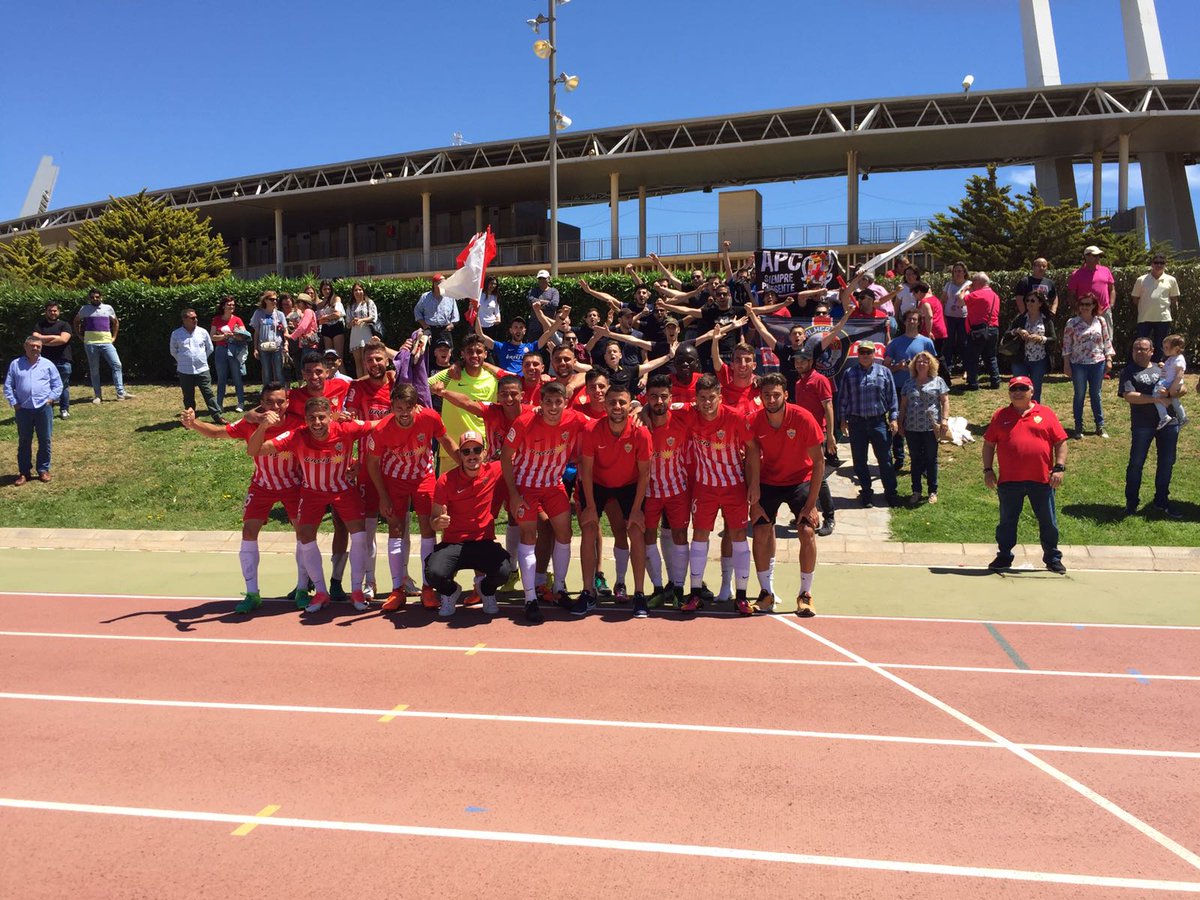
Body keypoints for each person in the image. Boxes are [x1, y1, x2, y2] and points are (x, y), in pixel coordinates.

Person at [180, 382, 307, 612]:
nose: (275, 406)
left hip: (293, 485)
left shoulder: (298, 423)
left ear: (288, 403)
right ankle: (252, 593)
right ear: (262, 403)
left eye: (280, 401)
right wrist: (193, 423)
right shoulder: (250, 422)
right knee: (249, 533)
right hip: (262, 486)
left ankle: (301, 589)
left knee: (302, 533)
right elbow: (218, 432)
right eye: (270, 401)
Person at [248, 396, 377, 612]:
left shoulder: (346, 428)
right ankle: (320, 592)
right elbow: (254, 450)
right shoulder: (298, 434)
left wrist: (413, 411)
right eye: (311, 419)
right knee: (306, 537)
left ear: (330, 417)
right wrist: (262, 426)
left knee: (359, 535)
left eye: (321, 418)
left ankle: (356, 590)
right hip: (311, 493)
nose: (316, 423)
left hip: (344, 491)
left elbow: (378, 424)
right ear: (305, 420)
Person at [501, 381, 589, 622]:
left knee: (565, 534)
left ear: (565, 402)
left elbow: (601, 423)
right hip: (525, 487)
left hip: (553, 486)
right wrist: (514, 494)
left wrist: (638, 410)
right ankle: (530, 598)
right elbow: (506, 458)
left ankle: (559, 589)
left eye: (558, 402)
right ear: (540, 402)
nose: (552, 407)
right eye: (548, 402)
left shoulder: (574, 419)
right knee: (529, 538)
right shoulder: (523, 422)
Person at [365, 383, 456, 611]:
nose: (404, 413)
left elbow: (447, 442)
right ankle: (398, 590)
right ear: (392, 407)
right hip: (394, 479)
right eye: (398, 408)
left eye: (408, 407)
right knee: (395, 530)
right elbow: (373, 464)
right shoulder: (382, 429)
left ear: (417, 406)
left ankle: (427, 588)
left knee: (428, 528)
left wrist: (466, 462)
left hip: (423, 477)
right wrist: (383, 496)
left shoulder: (430, 418)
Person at [681, 374, 760, 615]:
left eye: (711, 398)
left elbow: (753, 450)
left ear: (720, 397)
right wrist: (638, 411)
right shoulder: (688, 413)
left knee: (738, 535)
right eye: (702, 398)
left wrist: (754, 484)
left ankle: (742, 596)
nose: (707, 403)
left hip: (734, 485)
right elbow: (658, 407)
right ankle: (695, 593)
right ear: (696, 399)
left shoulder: (735, 417)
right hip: (704, 487)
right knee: (700, 535)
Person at [750, 374, 824, 616]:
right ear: (760, 398)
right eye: (766, 395)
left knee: (806, 530)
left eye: (776, 395)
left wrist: (811, 504)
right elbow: (751, 458)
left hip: (799, 480)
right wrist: (754, 497)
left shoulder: (803, 418)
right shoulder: (755, 421)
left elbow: (819, 462)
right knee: (760, 529)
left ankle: (805, 594)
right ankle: (765, 593)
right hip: (768, 480)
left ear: (786, 395)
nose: (771, 399)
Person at [575, 383, 652, 616]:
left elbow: (644, 474)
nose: (617, 406)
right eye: (612, 402)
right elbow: (586, 472)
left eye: (622, 402)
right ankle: (588, 592)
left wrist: (637, 509)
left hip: (629, 485)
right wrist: (589, 506)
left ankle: (639, 594)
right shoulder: (591, 430)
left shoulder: (641, 432)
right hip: (596, 483)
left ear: (631, 406)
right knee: (588, 528)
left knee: (636, 532)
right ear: (605, 405)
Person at [982, 376, 1068, 574]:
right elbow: (988, 444)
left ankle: (1053, 558)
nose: (1018, 392)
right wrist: (988, 470)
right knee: (1006, 522)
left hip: (1041, 480)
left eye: (1022, 388)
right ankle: (1004, 556)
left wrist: (1059, 467)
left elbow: (1061, 442)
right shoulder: (1000, 415)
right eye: (1014, 389)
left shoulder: (1046, 413)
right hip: (1009, 481)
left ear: (1032, 391)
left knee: (1048, 521)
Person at [424, 430, 511, 617]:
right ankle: (451, 591)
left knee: (504, 571)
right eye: (466, 451)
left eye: (476, 450)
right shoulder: (446, 480)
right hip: (454, 543)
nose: (472, 455)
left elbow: (519, 453)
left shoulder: (495, 471)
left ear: (484, 452)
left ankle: (486, 590)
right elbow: (433, 521)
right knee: (433, 574)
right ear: (460, 455)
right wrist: (438, 522)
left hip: (483, 541)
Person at [344, 340, 397, 599]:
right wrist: (350, 461)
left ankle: (403, 578)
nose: (375, 364)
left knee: (400, 526)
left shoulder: (398, 384)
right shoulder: (356, 388)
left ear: (387, 360)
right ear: (364, 363)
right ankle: (370, 579)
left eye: (379, 359)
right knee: (369, 527)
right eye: (370, 360)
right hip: (367, 465)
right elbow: (349, 425)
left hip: (398, 466)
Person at [639, 373, 693, 609]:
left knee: (680, 536)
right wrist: (640, 410)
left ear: (671, 397)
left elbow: (704, 403)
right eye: (653, 397)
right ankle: (659, 588)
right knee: (648, 537)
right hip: (649, 492)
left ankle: (679, 588)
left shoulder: (683, 419)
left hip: (677, 490)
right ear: (647, 398)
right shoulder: (640, 425)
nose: (659, 402)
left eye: (663, 397)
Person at [1118, 338, 1183, 519]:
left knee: (1166, 463)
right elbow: (1129, 395)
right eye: (1136, 349)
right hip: (1143, 424)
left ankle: (1161, 502)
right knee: (1136, 463)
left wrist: (1175, 392)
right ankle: (1131, 504)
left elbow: (1181, 386)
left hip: (1169, 424)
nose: (1139, 352)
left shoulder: (1162, 367)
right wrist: (1155, 399)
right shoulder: (1128, 372)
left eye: (1143, 349)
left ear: (1152, 351)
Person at [837, 340, 899, 507]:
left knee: (885, 459)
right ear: (858, 355)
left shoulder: (884, 372)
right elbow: (843, 398)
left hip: (878, 422)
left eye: (868, 352)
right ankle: (866, 493)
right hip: (856, 423)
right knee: (859, 460)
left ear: (874, 354)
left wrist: (894, 418)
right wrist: (842, 420)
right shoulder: (849, 373)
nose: (865, 355)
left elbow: (892, 398)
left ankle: (891, 492)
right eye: (862, 352)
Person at [428, 335, 497, 472]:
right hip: (451, 448)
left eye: (478, 351)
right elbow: (420, 387)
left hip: (480, 450)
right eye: (470, 351)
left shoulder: (494, 380)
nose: (474, 355)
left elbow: (518, 382)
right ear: (462, 354)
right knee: (448, 492)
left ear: (485, 354)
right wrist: (433, 388)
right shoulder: (450, 375)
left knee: (479, 492)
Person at [789, 347, 837, 535]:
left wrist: (831, 435)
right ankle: (805, 513)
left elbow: (829, 407)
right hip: (802, 436)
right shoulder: (799, 382)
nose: (799, 363)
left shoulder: (820, 380)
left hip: (819, 435)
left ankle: (830, 517)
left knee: (820, 476)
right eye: (796, 360)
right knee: (803, 475)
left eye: (803, 360)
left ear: (811, 362)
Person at [5, 335, 62, 485]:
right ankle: (24, 472)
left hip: (43, 408)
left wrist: (50, 399)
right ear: (26, 347)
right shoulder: (15, 364)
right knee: (24, 441)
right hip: (23, 409)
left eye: (38, 346)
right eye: (33, 346)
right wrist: (14, 402)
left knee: (45, 440)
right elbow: (8, 386)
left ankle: (43, 470)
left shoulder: (48, 364)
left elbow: (58, 385)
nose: (35, 348)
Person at [885, 308, 937, 472]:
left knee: (920, 425)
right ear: (904, 322)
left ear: (919, 322)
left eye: (915, 319)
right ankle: (899, 459)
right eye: (909, 319)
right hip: (899, 388)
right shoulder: (895, 343)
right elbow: (886, 367)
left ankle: (921, 462)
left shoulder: (926, 342)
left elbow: (934, 366)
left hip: (920, 389)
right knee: (898, 421)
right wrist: (898, 366)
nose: (912, 322)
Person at [897, 352, 949, 506]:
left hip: (930, 428)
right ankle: (916, 491)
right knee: (915, 460)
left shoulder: (938, 381)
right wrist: (900, 423)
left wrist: (944, 420)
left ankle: (932, 490)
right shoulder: (908, 383)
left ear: (930, 364)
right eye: (918, 362)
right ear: (914, 365)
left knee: (931, 459)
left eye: (925, 362)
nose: (921, 364)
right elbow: (903, 405)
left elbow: (945, 401)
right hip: (912, 428)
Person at [1062, 293, 1114, 439]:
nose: (1085, 307)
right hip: (1078, 363)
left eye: (1088, 304)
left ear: (1094, 306)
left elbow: (1106, 340)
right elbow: (1067, 345)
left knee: (1096, 394)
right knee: (1079, 394)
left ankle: (1100, 425)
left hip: (1097, 362)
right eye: (1082, 304)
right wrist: (1066, 365)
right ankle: (1079, 426)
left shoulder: (1101, 321)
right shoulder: (1072, 322)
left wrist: (1109, 358)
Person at [74, 288, 130, 403]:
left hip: (106, 342)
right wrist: (80, 335)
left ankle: (120, 393)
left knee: (117, 364)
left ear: (101, 297)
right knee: (94, 370)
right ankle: (98, 396)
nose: (95, 299)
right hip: (90, 344)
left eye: (97, 297)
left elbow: (115, 322)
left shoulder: (108, 308)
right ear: (89, 298)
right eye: (92, 297)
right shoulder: (84, 309)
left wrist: (114, 337)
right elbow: (76, 321)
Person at [169, 309, 224, 425]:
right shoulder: (176, 334)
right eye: (192, 318)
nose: (196, 320)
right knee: (188, 396)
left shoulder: (202, 332)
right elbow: (173, 351)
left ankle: (217, 416)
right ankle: (190, 420)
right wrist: (183, 360)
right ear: (184, 319)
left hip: (202, 369)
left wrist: (201, 359)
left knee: (208, 393)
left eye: (196, 317)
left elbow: (210, 348)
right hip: (184, 370)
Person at [1004, 293, 1055, 403]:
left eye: (1032, 301)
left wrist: (1040, 338)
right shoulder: (1021, 317)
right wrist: (1018, 331)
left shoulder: (1046, 319)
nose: (1029, 303)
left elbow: (1053, 339)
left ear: (1040, 303)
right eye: (1027, 300)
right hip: (1020, 359)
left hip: (1039, 360)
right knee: (1018, 388)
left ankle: (1034, 414)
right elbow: (1007, 333)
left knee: (1035, 390)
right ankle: (1019, 412)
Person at [1130, 254, 1180, 361]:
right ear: (1151, 264)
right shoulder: (1141, 280)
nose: (1159, 265)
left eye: (1162, 263)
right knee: (1141, 345)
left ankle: (1159, 367)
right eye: (1156, 262)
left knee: (1161, 345)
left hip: (1163, 318)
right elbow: (1135, 298)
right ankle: (1140, 365)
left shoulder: (1171, 280)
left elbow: (1174, 298)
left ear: (1165, 265)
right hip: (1144, 318)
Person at [31, 302, 73, 419]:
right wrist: (54, 337)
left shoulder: (65, 325)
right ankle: (47, 408)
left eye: (54, 310)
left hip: (63, 360)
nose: (52, 313)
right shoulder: (40, 325)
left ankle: (64, 409)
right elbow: (35, 338)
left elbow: (63, 340)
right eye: (50, 310)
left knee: (62, 386)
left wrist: (43, 340)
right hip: (44, 360)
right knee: (45, 385)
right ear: (46, 312)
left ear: (58, 312)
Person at [962, 272, 1001, 391]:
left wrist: (965, 289)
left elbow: (960, 300)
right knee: (991, 356)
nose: (972, 283)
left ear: (979, 282)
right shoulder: (995, 295)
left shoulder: (976, 294)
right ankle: (995, 381)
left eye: (974, 281)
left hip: (978, 330)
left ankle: (973, 383)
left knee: (972, 357)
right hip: (993, 328)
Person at [474, 314, 553, 373]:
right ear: (511, 330)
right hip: (505, 383)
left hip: (523, 384)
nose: (518, 330)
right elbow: (480, 335)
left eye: (521, 327)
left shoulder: (530, 347)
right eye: (515, 327)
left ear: (524, 331)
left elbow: (548, 333)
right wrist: (476, 314)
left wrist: (561, 319)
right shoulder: (501, 347)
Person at [1067, 246, 1115, 339]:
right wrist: (1077, 309)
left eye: (1099, 256)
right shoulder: (1077, 274)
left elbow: (1112, 289)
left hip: (1104, 311)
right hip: (1085, 312)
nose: (1098, 258)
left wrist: (1111, 305)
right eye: (1095, 255)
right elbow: (1071, 294)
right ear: (1087, 257)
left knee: (1107, 339)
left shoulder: (1106, 271)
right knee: (1085, 338)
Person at [210, 295, 247, 412]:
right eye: (229, 304)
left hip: (234, 350)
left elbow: (244, 336)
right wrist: (223, 336)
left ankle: (241, 403)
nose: (231, 306)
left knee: (237, 377)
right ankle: (219, 404)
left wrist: (236, 334)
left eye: (233, 305)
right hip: (221, 350)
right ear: (223, 306)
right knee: (221, 378)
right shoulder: (216, 319)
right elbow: (212, 337)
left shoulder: (238, 319)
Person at [250, 291, 287, 387]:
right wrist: (255, 348)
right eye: (271, 299)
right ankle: (266, 394)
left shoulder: (280, 314)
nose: (274, 301)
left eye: (276, 299)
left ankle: (281, 393)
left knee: (278, 371)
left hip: (277, 346)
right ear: (265, 300)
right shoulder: (258, 313)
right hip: (263, 346)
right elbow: (256, 332)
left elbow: (285, 331)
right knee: (266, 372)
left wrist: (286, 344)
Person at [941, 261, 970, 377]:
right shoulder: (948, 284)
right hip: (949, 317)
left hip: (964, 318)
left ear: (964, 272)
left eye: (960, 271)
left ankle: (966, 368)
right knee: (949, 343)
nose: (957, 273)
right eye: (955, 271)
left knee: (964, 343)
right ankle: (948, 368)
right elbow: (942, 300)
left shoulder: (970, 284)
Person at [1153, 334, 1188, 428]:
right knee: (1174, 401)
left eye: (1166, 347)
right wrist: (1163, 366)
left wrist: (1172, 388)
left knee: (1155, 393)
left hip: (1171, 383)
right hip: (1169, 382)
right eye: (1163, 347)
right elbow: (1170, 370)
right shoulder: (1171, 358)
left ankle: (1164, 416)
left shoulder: (1179, 359)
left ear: (1176, 348)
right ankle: (1183, 418)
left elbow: (1180, 374)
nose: (1164, 349)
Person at [346, 282, 379, 376]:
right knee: (358, 362)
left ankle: (368, 381)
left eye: (360, 290)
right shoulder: (350, 305)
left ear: (363, 291)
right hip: (355, 333)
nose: (358, 292)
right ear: (353, 292)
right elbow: (347, 323)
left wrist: (362, 320)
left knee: (366, 360)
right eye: (355, 290)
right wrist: (352, 322)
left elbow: (373, 317)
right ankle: (360, 383)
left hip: (366, 332)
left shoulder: (369, 302)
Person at [287, 293, 319, 382]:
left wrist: (292, 336)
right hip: (309, 344)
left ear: (304, 303)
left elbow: (303, 327)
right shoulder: (308, 312)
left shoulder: (308, 311)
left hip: (308, 345)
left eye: (299, 302)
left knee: (307, 368)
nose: (297, 304)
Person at [315, 280, 346, 359]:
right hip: (325, 329)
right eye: (324, 289)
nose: (327, 291)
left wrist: (325, 317)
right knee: (329, 357)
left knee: (338, 358)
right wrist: (326, 318)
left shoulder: (335, 299)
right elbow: (318, 320)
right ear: (321, 290)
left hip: (337, 327)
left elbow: (337, 314)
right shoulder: (319, 304)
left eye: (329, 289)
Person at [526, 269, 560, 339]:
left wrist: (539, 304)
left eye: (544, 278)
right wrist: (547, 302)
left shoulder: (554, 291)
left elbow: (554, 304)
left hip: (550, 327)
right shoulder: (533, 291)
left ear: (549, 279)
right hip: (534, 328)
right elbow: (530, 300)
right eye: (540, 279)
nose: (541, 280)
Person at [476, 275, 503, 341]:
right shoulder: (479, 295)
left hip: (492, 326)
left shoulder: (495, 297)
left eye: (495, 284)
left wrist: (498, 319)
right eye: (491, 283)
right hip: (480, 326)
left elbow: (497, 311)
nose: (493, 286)